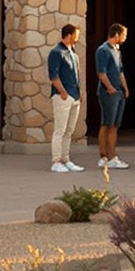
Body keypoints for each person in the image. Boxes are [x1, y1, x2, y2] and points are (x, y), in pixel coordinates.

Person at [46, 23, 84, 174]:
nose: (77, 38)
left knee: (69, 130)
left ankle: (66, 159)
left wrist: (80, 93)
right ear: (68, 35)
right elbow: (53, 75)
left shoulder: (72, 53)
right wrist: (62, 92)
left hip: (74, 95)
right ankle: (56, 161)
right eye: (76, 35)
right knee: (60, 130)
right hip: (63, 96)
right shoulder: (56, 52)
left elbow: (76, 75)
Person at [91, 23, 130, 169]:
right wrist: (110, 88)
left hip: (119, 92)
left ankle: (113, 155)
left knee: (114, 125)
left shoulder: (117, 50)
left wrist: (125, 88)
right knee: (107, 123)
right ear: (117, 34)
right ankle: (104, 155)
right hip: (109, 93)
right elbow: (101, 73)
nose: (125, 38)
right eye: (124, 35)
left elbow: (120, 72)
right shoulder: (103, 50)